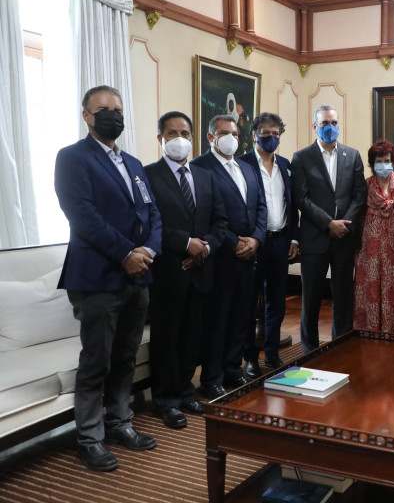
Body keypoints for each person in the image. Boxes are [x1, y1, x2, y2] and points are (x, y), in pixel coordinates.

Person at [54, 85, 161, 471]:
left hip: (138, 275)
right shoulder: (72, 158)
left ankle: (120, 423)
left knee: (126, 357)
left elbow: (152, 213)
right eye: (103, 109)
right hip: (97, 277)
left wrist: (148, 251)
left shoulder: (132, 163)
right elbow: (82, 215)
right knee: (96, 359)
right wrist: (124, 254)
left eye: (118, 109)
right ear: (86, 115)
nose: (112, 115)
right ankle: (90, 438)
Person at [144, 111, 229, 429]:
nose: (179, 139)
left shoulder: (206, 176)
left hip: (201, 270)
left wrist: (204, 248)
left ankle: (185, 391)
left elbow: (220, 222)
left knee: (193, 336)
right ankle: (166, 400)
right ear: (160, 138)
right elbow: (147, 223)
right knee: (167, 338)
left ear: (193, 138)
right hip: (167, 272)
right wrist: (185, 243)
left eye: (185, 133)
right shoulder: (147, 175)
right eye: (172, 133)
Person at [191, 115, 267, 399]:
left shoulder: (247, 166)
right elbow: (204, 215)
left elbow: (261, 206)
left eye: (235, 133)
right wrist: (233, 242)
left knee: (242, 317)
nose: (232, 138)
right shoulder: (200, 167)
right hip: (220, 257)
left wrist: (256, 239)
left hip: (249, 256)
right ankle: (212, 377)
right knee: (217, 320)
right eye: (225, 133)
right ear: (211, 137)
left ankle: (233, 369)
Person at [292, 105, 366, 352]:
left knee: (343, 298)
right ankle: (309, 351)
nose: (330, 127)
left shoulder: (352, 155)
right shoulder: (302, 157)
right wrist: (328, 223)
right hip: (315, 239)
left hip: (345, 238)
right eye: (325, 123)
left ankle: (340, 349)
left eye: (334, 123)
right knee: (311, 299)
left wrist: (345, 224)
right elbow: (301, 199)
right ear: (315, 126)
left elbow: (359, 195)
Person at [238, 112, 299, 374]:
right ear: (254, 135)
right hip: (255, 244)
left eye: (276, 133)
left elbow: (292, 204)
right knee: (249, 301)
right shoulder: (242, 164)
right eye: (266, 133)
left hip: (281, 240)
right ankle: (250, 357)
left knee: (277, 301)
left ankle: (272, 353)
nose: (271, 137)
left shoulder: (285, 165)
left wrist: (294, 237)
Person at [353, 140, 394, 335]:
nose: (383, 164)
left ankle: (393, 331)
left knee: (392, 287)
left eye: (387, 161)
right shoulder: (365, 186)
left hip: (393, 247)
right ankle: (369, 330)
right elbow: (357, 215)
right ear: (372, 163)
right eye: (379, 161)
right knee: (370, 287)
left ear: (393, 162)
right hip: (369, 249)